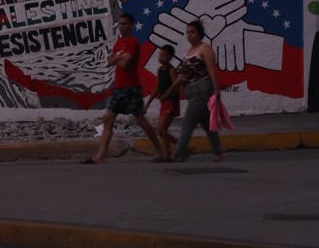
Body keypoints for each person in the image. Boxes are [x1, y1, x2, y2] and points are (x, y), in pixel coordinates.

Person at [84, 13, 164, 164]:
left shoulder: (132, 43)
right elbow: (110, 60)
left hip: (131, 88)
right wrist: (118, 57)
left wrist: (116, 58)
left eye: (125, 24)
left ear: (131, 26)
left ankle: (160, 150)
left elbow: (124, 64)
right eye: (120, 23)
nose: (121, 26)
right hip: (119, 88)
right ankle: (100, 156)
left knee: (140, 120)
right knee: (108, 119)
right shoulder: (119, 42)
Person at [171, 21, 224, 163]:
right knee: (207, 124)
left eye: (192, 32)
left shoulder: (205, 49)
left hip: (201, 90)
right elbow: (182, 75)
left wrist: (216, 91)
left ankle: (176, 155)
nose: (189, 35)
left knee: (187, 124)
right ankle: (218, 153)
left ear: (200, 33)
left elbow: (212, 71)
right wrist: (171, 88)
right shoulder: (188, 52)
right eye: (187, 32)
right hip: (192, 91)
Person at [149, 44, 180, 162]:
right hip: (163, 103)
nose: (160, 57)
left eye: (163, 55)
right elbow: (157, 87)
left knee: (162, 130)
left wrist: (168, 94)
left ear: (170, 57)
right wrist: (148, 102)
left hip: (171, 102)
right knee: (160, 131)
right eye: (160, 54)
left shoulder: (171, 70)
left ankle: (167, 155)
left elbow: (176, 86)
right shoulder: (160, 70)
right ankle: (181, 145)